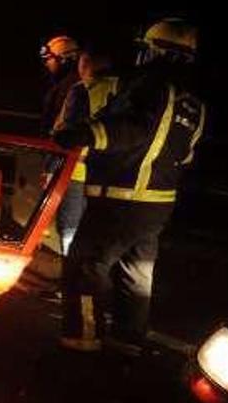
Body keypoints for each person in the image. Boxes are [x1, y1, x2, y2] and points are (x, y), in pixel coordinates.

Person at [53, 18, 206, 353]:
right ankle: (128, 339)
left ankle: (81, 339)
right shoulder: (194, 104)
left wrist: (84, 133)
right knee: (136, 272)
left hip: (122, 198)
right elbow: (187, 155)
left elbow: (130, 127)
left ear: (156, 51)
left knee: (84, 265)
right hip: (159, 204)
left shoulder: (149, 87)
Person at [51, 49, 119, 254]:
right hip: (111, 176)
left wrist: (52, 167)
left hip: (76, 170)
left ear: (87, 64)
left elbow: (67, 134)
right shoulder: (125, 89)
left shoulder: (83, 90)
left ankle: (69, 272)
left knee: (69, 226)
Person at [40, 35, 82, 134]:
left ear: (63, 60)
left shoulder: (72, 88)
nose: (46, 64)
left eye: (49, 59)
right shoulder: (61, 84)